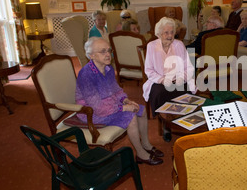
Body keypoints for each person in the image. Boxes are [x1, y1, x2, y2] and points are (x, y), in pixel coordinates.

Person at [75, 37, 163, 166]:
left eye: (109, 50)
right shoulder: (86, 75)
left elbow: (116, 90)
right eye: (103, 51)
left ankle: (146, 144)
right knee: (130, 116)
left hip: (110, 104)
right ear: (91, 55)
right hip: (91, 112)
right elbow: (98, 107)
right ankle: (140, 154)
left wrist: (125, 100)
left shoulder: (108, 68)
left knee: (141, 110)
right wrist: (123, 108)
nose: (108, 54)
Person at [143, 17, 197, 116]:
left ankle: (183, 118)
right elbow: (149, 70)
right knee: (160, 93)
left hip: (178, 79)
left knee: (185, 89)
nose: (170, 35)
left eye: (172, 32)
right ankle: (164, 122)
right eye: (166, 32)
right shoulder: (151, 46)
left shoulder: (179, 44)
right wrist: (162, 80)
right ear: (159, 34)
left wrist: (182, 77)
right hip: (159, 81)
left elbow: (189, 67)